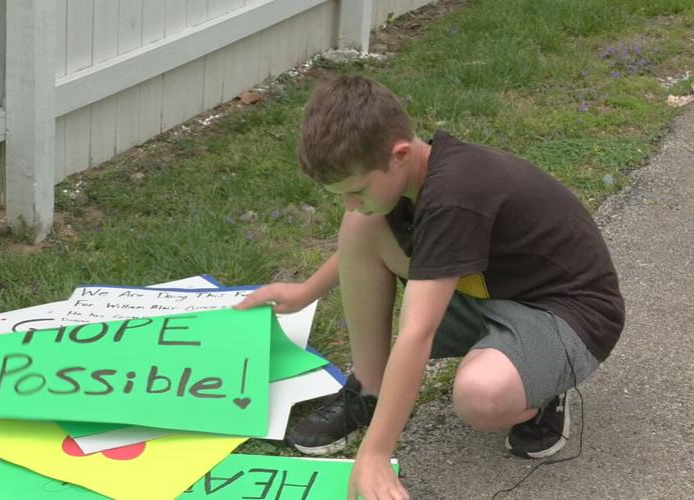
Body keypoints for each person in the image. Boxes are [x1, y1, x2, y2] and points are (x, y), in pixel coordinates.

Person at [235, 75, 624, 499]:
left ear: (399, 153)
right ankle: (369, 389)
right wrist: (307, 290)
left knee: (481, 396)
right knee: (362, 222)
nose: (349, 201)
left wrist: (376, 454)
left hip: (565, 314)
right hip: (489, 292)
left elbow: (417, 333)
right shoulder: (411, 174)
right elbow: (365, 239)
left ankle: (544, 391)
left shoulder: (455, 195)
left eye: (357, 189)